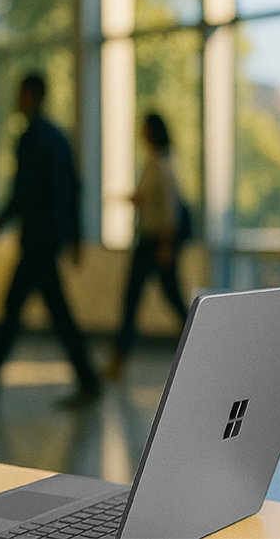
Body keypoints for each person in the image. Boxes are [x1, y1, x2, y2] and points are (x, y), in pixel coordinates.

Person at [0, 73, 101, 407]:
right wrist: (75, 237)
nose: (17, 99)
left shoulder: (32, 138)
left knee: (33, 308)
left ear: (30, 95)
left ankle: (86, 379)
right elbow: (73, 189)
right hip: (50, 238)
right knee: (32, 307)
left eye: (20, 93)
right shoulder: (58, 138)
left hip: (38, 240)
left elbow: (22, 192)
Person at [106, 113, 189, 382]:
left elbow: (170, 209)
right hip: (149, 241)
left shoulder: (163, 164)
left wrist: (166, 245)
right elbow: (149, 199)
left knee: (170, 298)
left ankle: (201, 343)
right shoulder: (154, 162)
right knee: (133, 300)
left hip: (157, 243)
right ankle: (119, 359)